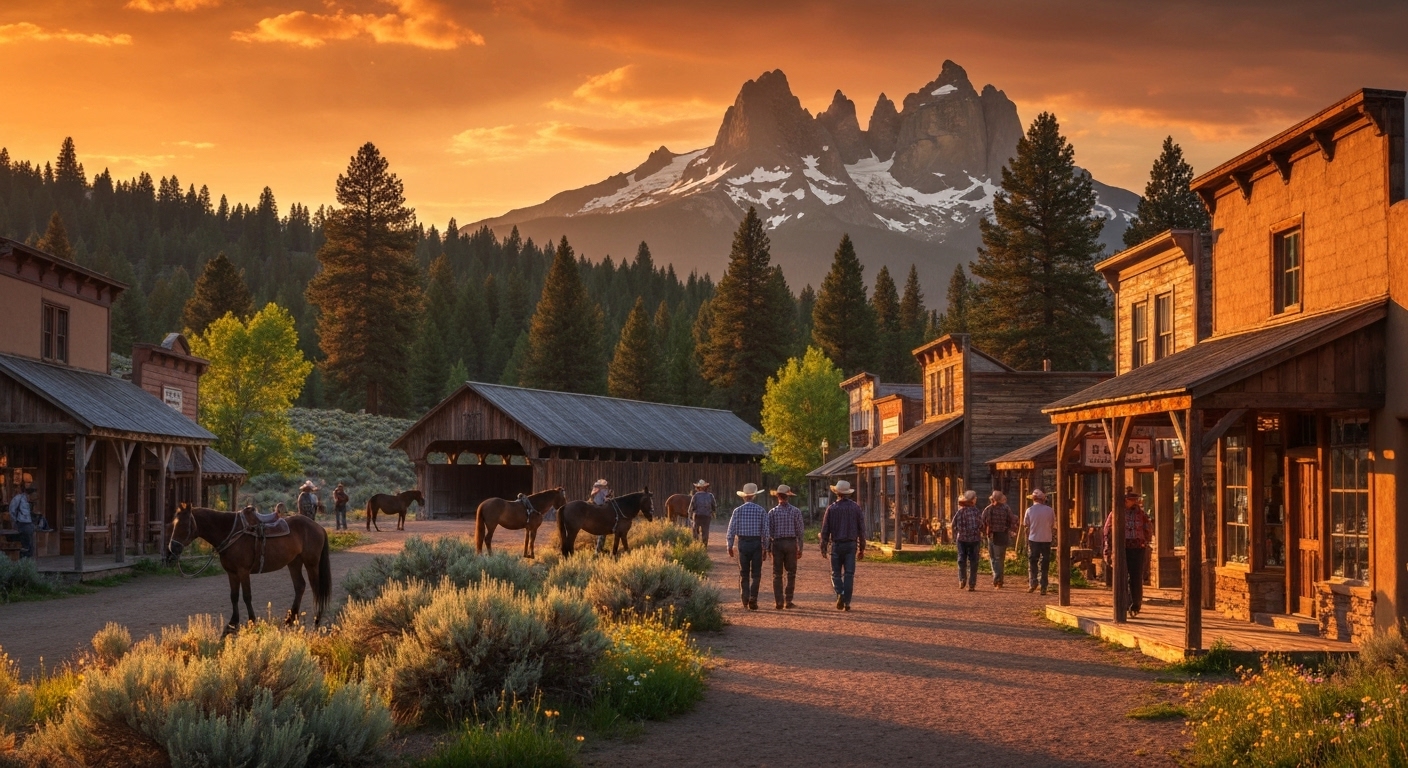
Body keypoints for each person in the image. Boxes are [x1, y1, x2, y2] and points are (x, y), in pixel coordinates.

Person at [1103, 488, 1153, 618]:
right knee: (1122, 576)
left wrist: (1146, 540)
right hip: (1122, 547)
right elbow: (1107, 531)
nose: (1135, 501)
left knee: (1136, 576)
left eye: (1135, 498)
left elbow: (1148, 527)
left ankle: (1136, 603)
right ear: (1125, 500)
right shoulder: (1116, 513)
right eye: (1132, 498)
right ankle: (1124, 602)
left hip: (1137, 547)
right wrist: (1108, 549)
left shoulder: (1140, 514)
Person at [819, 479, 866, 611]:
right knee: (849, 574)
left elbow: (825, 530)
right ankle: (847, 603)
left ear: (837, 493)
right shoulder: (856, 508)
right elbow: (862, 529)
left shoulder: (831, 509)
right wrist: (862, 548)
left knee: (836, 573)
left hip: (836, 544)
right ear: (848, 493)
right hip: (851, 545)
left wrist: (823, 547)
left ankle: (840, 593)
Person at [726, 483, 767, 610]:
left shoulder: (737, 511)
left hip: (742, 543)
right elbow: (766, 531)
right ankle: (753, 598)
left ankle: (745, 598)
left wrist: (730, 545)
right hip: (756, 544)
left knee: (744, 573)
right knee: (756, 573)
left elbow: (731, 530)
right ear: (754, 496)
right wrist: (765, 547)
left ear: (744, 497)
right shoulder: (761, 511)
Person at [765, 485, 804, 610]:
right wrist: (800, 548)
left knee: (777, 574)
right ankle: (788, 600)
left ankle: (779, 601)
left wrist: (768, 548)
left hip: (777, 543)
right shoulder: (796, 511)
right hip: (791, 543)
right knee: (791, 573)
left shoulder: (772, 512)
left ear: (777, 496)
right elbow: (800, 531)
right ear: (788, 496)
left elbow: (768, 532)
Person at [981, 490, 1017, 589]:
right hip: (1002, 535)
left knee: (993, 558)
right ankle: (999, 580)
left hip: (992, 535)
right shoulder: (1006, 508)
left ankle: (997, 578)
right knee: (999, 559)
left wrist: (984, 532)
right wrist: (1011, 530)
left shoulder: (988, 509)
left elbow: (982, 521)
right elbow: (1012, 520)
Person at [1023, 488, 1056, 595]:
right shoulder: (1050, 510)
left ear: (1033, 499)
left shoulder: (1029, 510)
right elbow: (1052, 524)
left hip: (1033, 539)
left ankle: (1033, 583)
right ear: (1043, 499)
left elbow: (1026, 525)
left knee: (1033, 562)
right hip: (1046, 539)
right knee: (1045, 563)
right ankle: (1044, 586)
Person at [952, 490, 983, 591]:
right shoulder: (977, 512)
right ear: (973, 500)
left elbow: (953, 524)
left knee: (961, 560)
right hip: (974, 539)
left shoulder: (960, 512)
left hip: (962, 539)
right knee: (973, 562)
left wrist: (959, 531)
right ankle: (972, 584)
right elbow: (981, 525)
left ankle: (962, 579)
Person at [7, 486, 37, 560]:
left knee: (30, 545)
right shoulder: (18, 498)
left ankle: (28, 560)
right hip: (22, 523)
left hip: (29, 523)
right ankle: (23, 560)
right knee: (25, 544)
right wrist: (15, 522)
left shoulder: (29, 501)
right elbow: (12, 510)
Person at [688, 479, 716, 545]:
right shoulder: (710, 495)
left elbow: (691, 507)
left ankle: (695, 545)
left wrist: (690, 515)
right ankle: (704, 546)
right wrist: (713, 512)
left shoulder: (695, 496)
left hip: (697, 516)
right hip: (706, 516)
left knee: (695, 530)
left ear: (698, 488)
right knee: (705, 531)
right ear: (705, 488)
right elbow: (714, 505)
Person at [591, 479, 612, 553]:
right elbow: (603, 499)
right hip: (599, 508)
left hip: (600, 507)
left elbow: (605, 498)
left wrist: (608, 497)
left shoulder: (601, 490)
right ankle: (598, 550)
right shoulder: (598, 490)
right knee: (602, 531)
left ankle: (599, 548)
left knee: (603, 533)